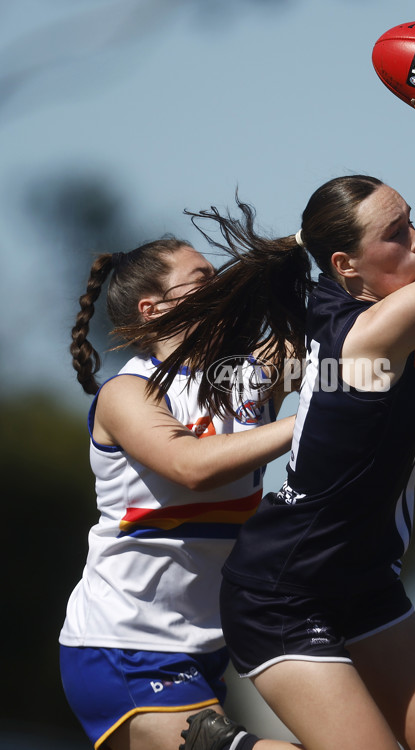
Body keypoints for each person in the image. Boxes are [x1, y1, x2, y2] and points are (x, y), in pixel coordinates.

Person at [147, 39, 415, 750]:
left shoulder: (392, 313)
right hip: (283, 592)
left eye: (412, 222)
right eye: (398, 234)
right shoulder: (371, 334)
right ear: (348, 269)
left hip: (363, 579)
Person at [59, 236, 300, 750]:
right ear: (153, 310)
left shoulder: (249, 376)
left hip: (204, 648)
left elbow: (353, 340)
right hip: (122, 643)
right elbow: (189, 465)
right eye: (204, 281)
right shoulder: (128, 392)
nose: (222, 287)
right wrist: (311, 421)